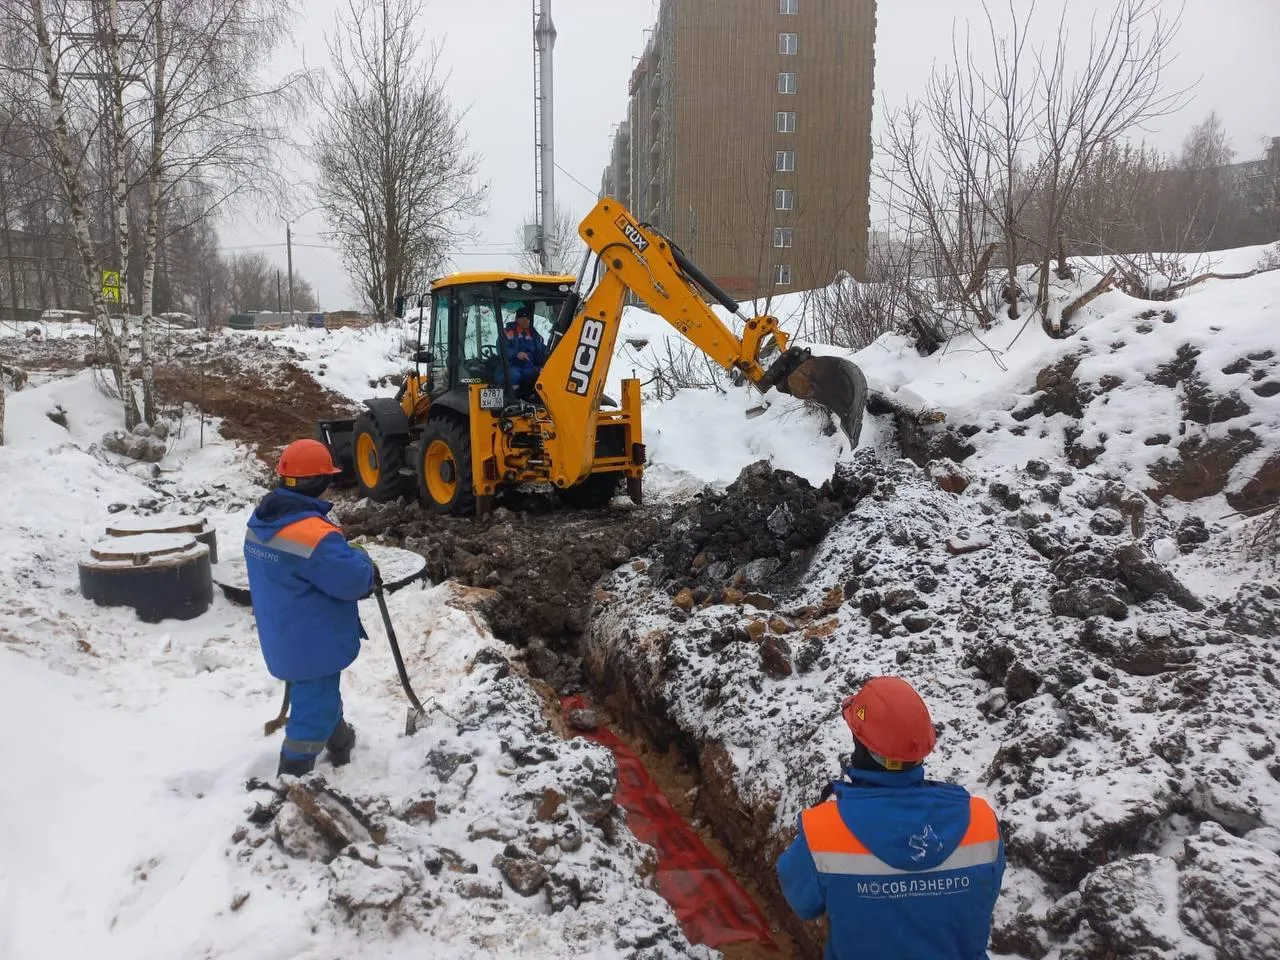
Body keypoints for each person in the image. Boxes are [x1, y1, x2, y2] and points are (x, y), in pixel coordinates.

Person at [776, 676, 1005, 959]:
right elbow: (983, 897)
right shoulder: (981, 822)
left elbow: (802, 902)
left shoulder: (824, 831)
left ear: (859, 743)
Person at [243, 438, 378, 777]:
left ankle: (341, 740)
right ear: (321, 483)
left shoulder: (261, 522)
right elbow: (352, 582)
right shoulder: (314, 536)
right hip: (314, 641)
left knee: (319, 694)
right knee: (312, 711)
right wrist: (362, 560)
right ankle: (292, 774)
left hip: (284, 631)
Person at [503, 303, 547, 392]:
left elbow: (542, 349)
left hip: (530, 366)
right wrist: (516, 354)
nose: (525, 320)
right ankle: (513, 399)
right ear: (517, 319)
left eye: (527, 318)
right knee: (514, 375)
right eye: (522, 318)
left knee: (546, 375)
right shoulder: (508, 332)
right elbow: (502, 349)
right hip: (511, 365)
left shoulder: (534, 335)